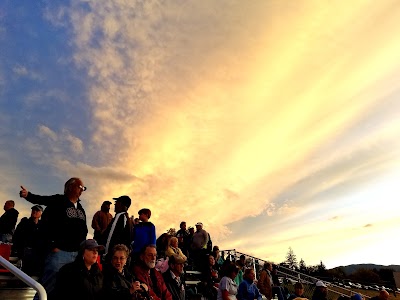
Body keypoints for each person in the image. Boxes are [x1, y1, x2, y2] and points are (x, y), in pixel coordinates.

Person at [20, 178, 88, 300]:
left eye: (84, 188)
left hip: (76, 254)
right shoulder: (58, 200)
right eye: (81, 187)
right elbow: (42, 200)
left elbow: (84, 229)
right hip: (60, 253)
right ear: (70, 187)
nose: (82, 190)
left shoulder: (81, 208)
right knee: (47, 287)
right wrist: (28, 195)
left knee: (66, 289)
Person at [11, 204, 43, 276]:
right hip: (25, 250)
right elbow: (17, 235)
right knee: (25, 271)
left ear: (41, 213)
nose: (34, 212)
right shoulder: (25, 222)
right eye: (33, 210)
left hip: (37, 252)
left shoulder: (42, 225)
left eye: (37, 210)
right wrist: (16, 249)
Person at [104, 196, 133, 260]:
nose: (115, 204)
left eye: (117, 202)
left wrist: (107, 253)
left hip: (113, 257)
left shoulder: (121, 216)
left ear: (122, 205)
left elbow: (111, 236)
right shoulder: (125, 218)